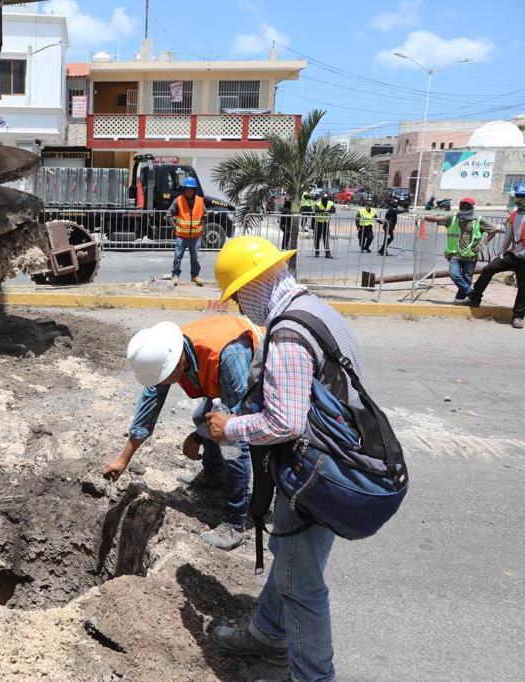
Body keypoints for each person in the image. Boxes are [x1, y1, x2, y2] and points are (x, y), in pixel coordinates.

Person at [204, 236, 365, 682]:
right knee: (293, 557)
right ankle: (267, 632)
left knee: (302, 585)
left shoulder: (290, 333)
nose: (239, 304)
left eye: (238, 293)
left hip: (314, 472)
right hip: (337, 460)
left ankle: (312, 676)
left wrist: (228, 428)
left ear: (256, 282)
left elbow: (285, 422)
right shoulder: (319, 310)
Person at [103, 316, 260, 550]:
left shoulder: (229, 357)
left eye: (162, 377)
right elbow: (149, 410)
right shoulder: (168, 351)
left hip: (258, 372)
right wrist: (123, 459)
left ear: (177, 363)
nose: (162, 383)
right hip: (221, 372)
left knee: (232, 444)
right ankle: (214, 476)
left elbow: (237, 422)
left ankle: (235, 523)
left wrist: (197, 437)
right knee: (201, 418)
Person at [423, 197, 501, 303]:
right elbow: (437, 219)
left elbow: (493, 230)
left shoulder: (478, 220)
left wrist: (484, 242)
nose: (464, 207)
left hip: (471, 254)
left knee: (467, 278)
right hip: (455, 254)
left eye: (467, 206)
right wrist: (423, 217)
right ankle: (472, 293)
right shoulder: (453, 217)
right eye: (462, 205)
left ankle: (461, 299)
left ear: (472, 207)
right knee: (454, 274)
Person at [468, 184, 525, 329]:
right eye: (518, 197)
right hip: (513, 253)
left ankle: (518, 316)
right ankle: (475, 298)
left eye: (523, 197)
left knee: (523, 287)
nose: (520, 200)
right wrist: (502, 251)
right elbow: (509, 235)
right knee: (489, 268)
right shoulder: (514, 214)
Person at [167, 176, 205, 286]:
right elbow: (169, 215)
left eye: (191, 189)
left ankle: (195, 276)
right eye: (187, 189)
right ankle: (175, 275)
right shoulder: (178, 200)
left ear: (194, 190)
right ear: (184, 189)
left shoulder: (200, 201)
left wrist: (202, 227)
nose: (189, 191)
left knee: (195, 257)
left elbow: (204, 215)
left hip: (195, 236)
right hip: (181, 236)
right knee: (178, 257)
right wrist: (175, 228)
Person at [312, 191, 335, 258]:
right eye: (324, 199)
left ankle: (327, 253)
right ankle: (317, 252)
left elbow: (333, 210)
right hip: (318, 222)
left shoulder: (330, 203)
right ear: (321, 199)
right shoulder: (318, 204)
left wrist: (324, 211)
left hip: (326, 223)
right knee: (317, 238)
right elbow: (316, 210)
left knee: (326, 238)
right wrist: (326, 211)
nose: (325, 201)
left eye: (326, 199)